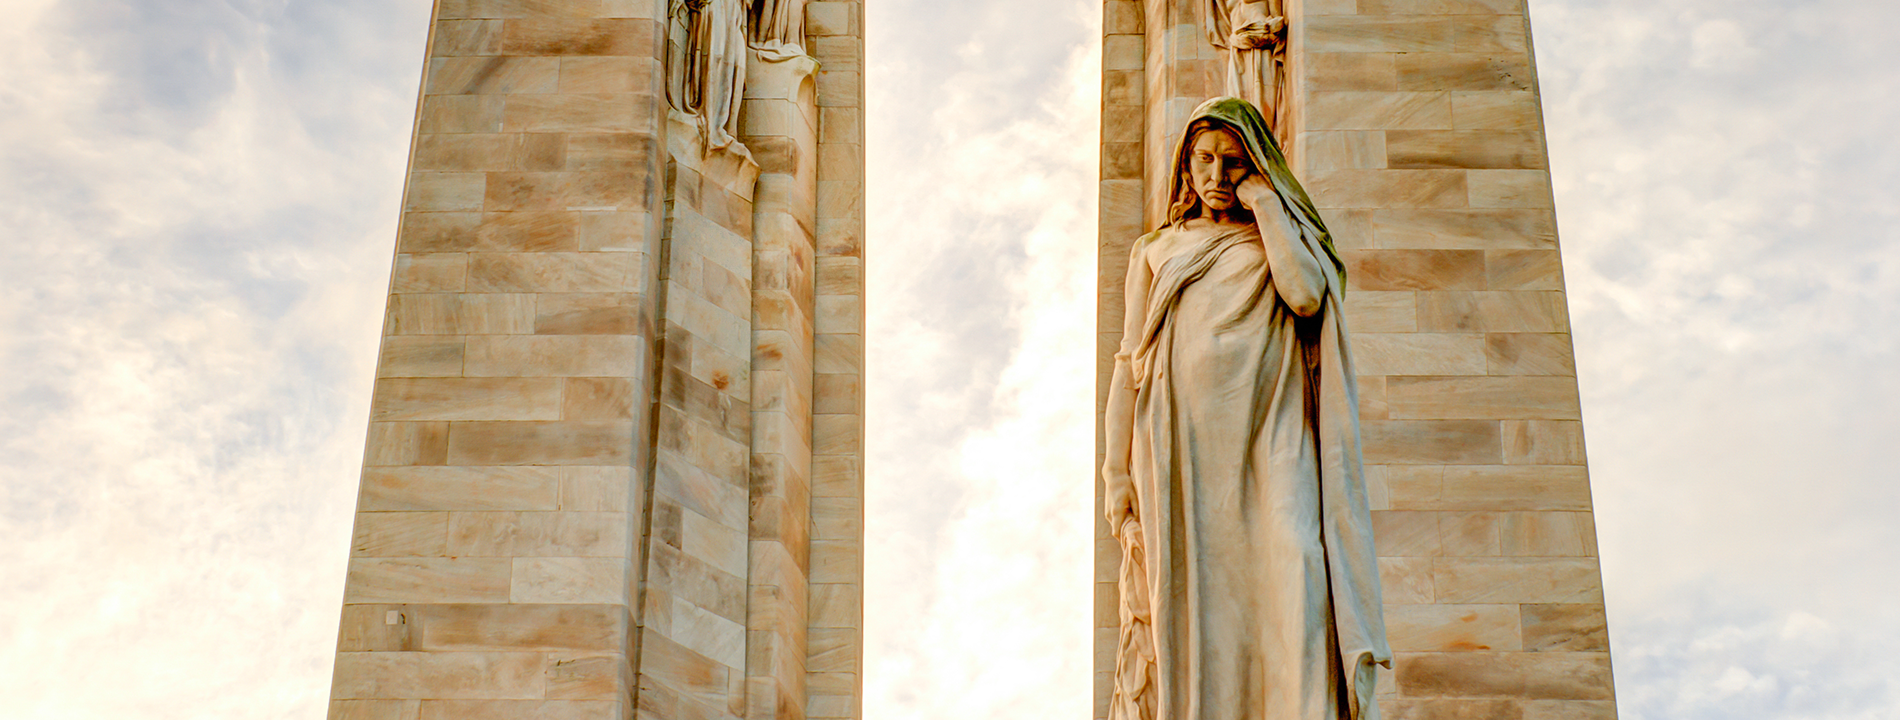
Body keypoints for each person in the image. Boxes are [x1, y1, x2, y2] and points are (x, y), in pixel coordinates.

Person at [1101, 97, 1390, 720]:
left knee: (1297, 557)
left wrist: (1265, 206)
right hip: (1181, 435)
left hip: (1272, 423)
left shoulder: (1284, 237)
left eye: (1232, 162)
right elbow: (1130, 361)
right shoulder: (1155, 248)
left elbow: (1307, 296)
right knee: (1193, 591)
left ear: (1255, 163)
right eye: (1203, 160)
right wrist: (1115, 471)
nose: (1216, 176)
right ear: (1185, 166)